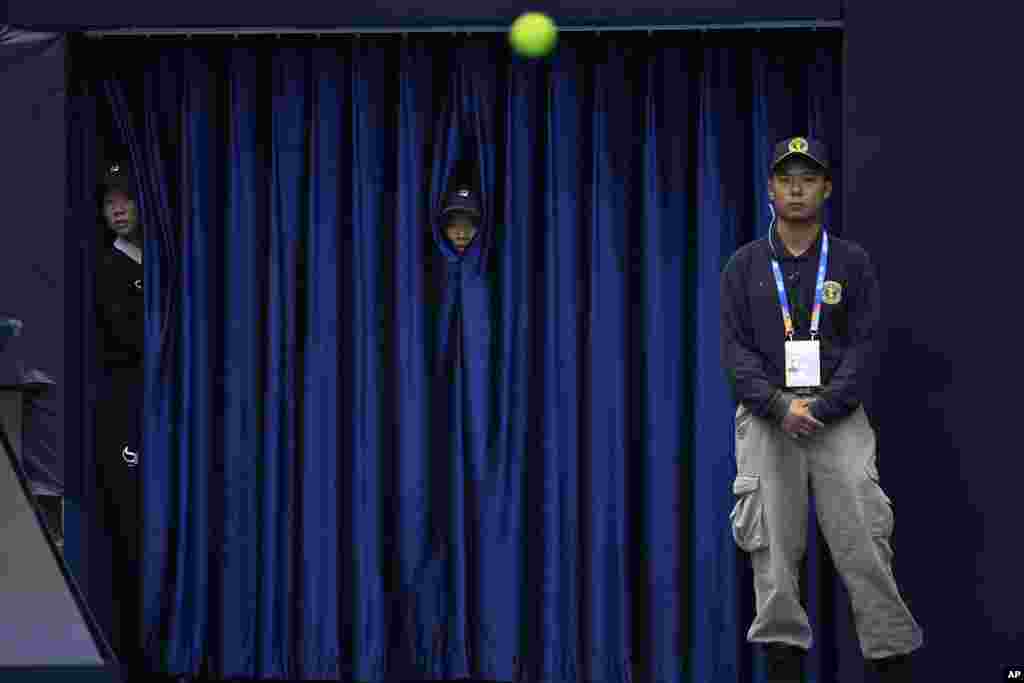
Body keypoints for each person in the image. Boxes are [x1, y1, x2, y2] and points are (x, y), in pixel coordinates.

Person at [720, 137, 924, 682]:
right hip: (768, 420)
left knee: (864, 540)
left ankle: (892, 662)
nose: (795, 188)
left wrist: (826, 405)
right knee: (774, 556)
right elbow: (734, 353)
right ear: (770, 188)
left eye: (807, 178)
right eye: (786, 178)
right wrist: (779, 406)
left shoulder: (852, 263)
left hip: (838, 417)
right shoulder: (743, 266)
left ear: (825, 188)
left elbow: (865, 345)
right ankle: (784, 668)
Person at [94, 159, 143, 678]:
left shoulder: (163, 261)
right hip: (128, 415)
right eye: (110, 202)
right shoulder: (110, 269)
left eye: (126, 198)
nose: (119, 208)